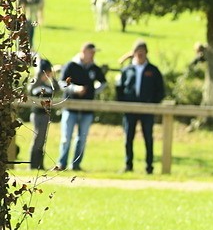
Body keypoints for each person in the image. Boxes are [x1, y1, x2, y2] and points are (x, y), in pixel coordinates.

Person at [115, 39, 166, 173]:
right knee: (128, 137)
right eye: (138, 52)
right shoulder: (127, 70)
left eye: (142, 52)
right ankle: (128, 164)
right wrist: (123, 103)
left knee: (148, 138)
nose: (140, 55)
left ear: (146, 53)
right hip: (129, 109)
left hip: (147, 109)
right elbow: (119, 88)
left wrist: (152, 103)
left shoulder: (153, 70)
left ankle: (149, 166)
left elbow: (160, 90)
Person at [56, 42, 106, 171]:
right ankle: (61, 163)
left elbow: (103, 82)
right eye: (91, 52)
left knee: (82, 138)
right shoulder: (71, 65)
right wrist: (74, 89)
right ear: (83, 51)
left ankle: (76, 165)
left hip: (86, 109)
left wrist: (93, 91)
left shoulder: (94, 68)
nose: (93, 55)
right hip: (70, 107)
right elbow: (62, 83)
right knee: (66, 138)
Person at [27, 57, 58, 171]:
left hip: (46, 114)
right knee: (37, 138)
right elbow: (31, 91)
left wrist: (52, 78)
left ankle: (40, 164)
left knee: (42, 139)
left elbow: (57, 88)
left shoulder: (50, 83)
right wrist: (40, 78)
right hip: (37, 114)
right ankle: (33, 164)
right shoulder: (36, 83)